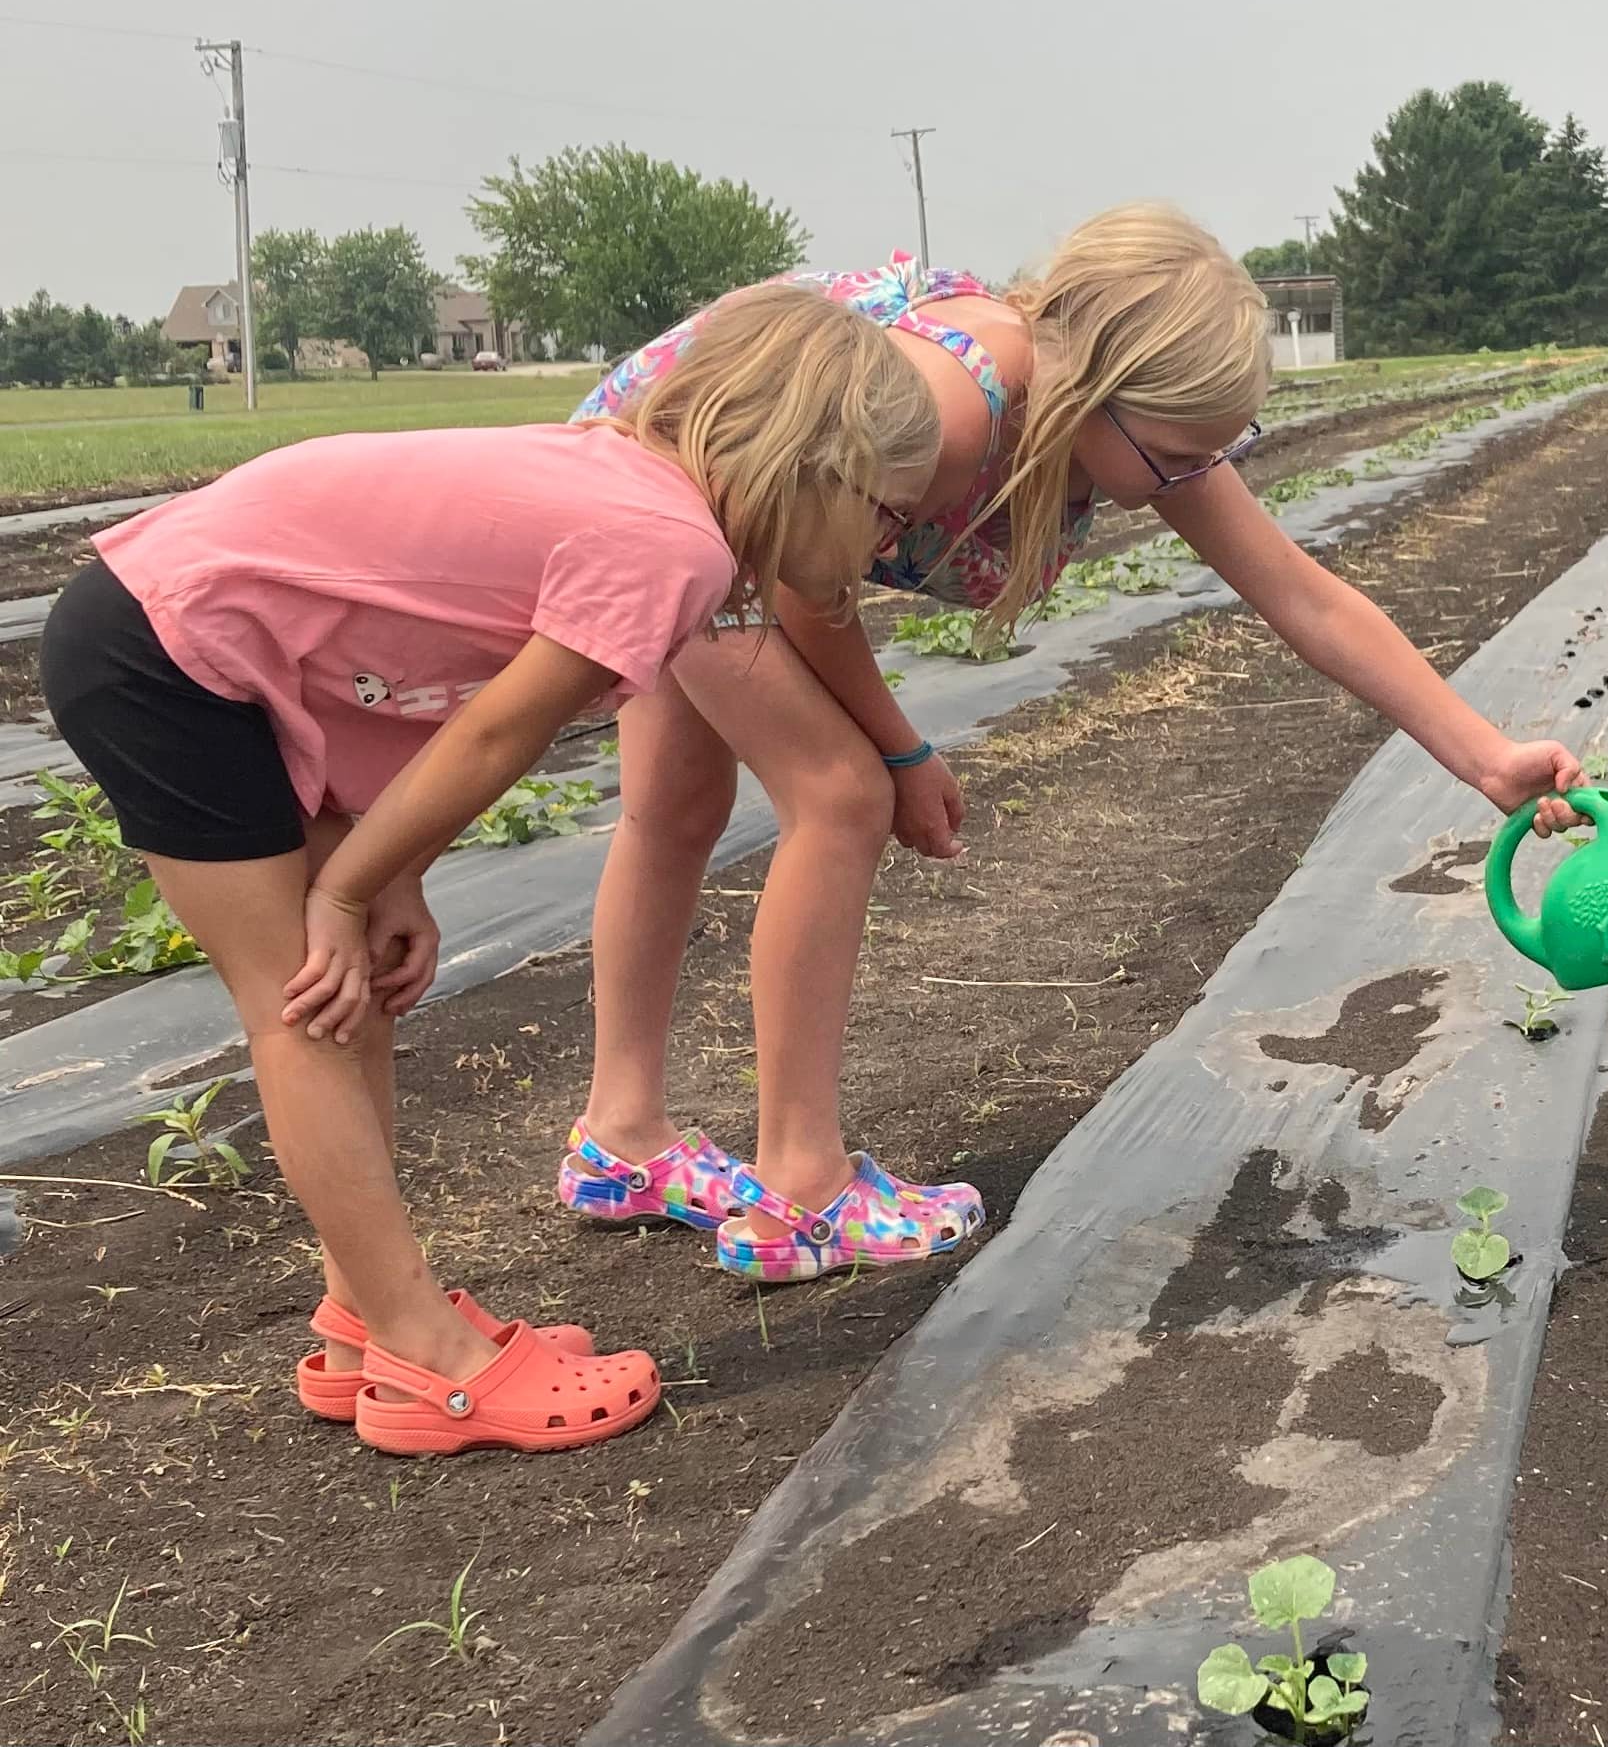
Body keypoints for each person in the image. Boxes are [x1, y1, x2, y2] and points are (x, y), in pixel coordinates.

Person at [558, 204, 1584, 1286]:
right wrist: (902, 754)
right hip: (683, 498)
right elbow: (810, 587)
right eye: (1183, 452)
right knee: (839, 792)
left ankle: (620, 1138)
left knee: (674, 807)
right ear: (1097, 388)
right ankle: (801, 1187)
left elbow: (1305, 598)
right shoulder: (955, 406)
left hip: (703, 496)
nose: (1198, 475)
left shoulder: (1128, 424)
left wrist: (1482, 757)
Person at [38, 287, 942, 1454]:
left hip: (219, 642)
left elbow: (394, 634)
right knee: (303, 1004)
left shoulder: (633, 488)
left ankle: (362, 1322)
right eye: (885, 515)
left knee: (343, 986)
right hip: (165, 649)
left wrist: (387, 873)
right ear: (811, 465)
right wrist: (351, 886)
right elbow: (492, 734)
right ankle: (428, 1355)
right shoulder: (668, 544)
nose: (886, 551)